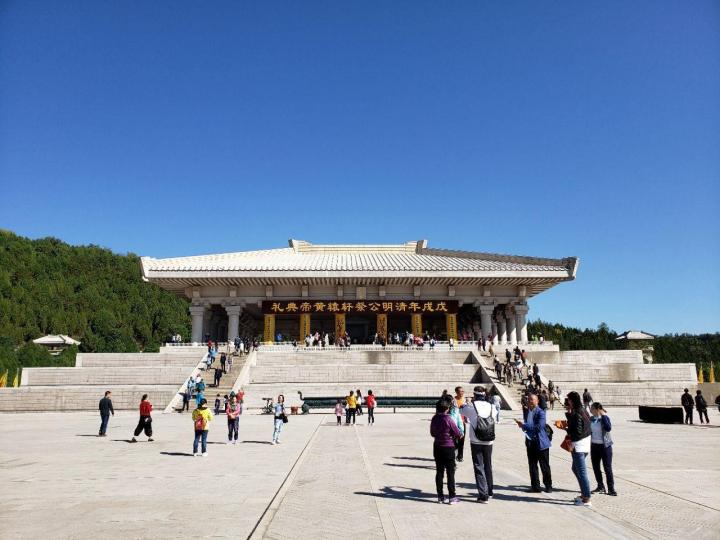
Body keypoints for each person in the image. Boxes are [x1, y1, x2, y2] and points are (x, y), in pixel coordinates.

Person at [557, 392, 592, 506]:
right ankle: (584, 493)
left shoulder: (577, 413)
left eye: (568, 400)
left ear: (572, 401)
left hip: (578, 446)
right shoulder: (582, 411)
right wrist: (569, 414)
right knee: (575, 469)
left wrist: (565, 429)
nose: (567, 402)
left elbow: (578, 432)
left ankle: (587, 498)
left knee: (581, 472)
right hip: (584, 445)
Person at [461, 387, 495, 503]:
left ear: (474, 395)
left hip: (476, 440)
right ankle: (489, 491)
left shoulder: (471, 406)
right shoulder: (492, 406)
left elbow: (461, 411)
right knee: (488, 465)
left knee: (478, 466)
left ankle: (483, 495)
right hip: (489, 440)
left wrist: (467, 402)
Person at [515, 393, 552, 493]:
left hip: (541, 442)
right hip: (530, 442)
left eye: (532, 399)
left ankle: (548, 486)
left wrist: (524, 426)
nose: (530, 401)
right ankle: (535, 486)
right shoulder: (528, 411)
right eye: (529, 399)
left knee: (544, 465)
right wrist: (523, 425)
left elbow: (539, 427)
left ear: (537, 401)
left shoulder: (541, 412)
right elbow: (528, 425)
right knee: (532, 465)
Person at [430, 396, 463, 504]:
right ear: (447, 409)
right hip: (448, 447)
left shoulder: (434, 418)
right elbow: (458, 433)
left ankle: (440, 496)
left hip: (437, 446)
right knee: (450, 472)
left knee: (439, 472)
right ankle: (452, 497)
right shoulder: (448, 419)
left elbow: (432, 433)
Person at [589, 402, 616, 496]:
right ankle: (600, 486)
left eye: (592, 408)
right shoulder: (591, 419)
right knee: (596, 467)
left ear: (597, 409)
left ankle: (611, 488)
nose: (590, 410)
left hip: (605, 447)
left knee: (607, 468)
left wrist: (603, 415)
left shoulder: (605, 418)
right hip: (594, 446)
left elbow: (608, 428)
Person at [451, 386, 467, 462]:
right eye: (461, 391)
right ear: (457, 392)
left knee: (462, 440)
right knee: (454, 440)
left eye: (463, 391)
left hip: (462, 422)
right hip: (454, 423)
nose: (462, 393)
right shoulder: (453, 401)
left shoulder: (465, 400)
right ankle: (454, 452)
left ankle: (460, 456)